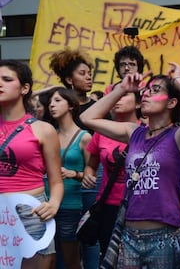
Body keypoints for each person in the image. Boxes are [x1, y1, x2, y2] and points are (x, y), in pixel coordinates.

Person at [80, 62, 180, 268]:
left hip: (165, 238)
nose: (145, 94)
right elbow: (86, 117)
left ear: (171, 103)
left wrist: (177, 81)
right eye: (145, 90)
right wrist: (122, 89)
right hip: (128, 236)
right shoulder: (132, 132)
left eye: (155, 90)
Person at [0, 60, 64, 268]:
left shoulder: (44, 130)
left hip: (31, 213)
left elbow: (56, 181)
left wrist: (53, 204)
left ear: (25, 88)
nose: (0, 84)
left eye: (7, 79)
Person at [49, 47, 101, 268]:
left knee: (88, 237)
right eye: (82, 73)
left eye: (89, 72)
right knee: (58, 243)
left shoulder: (97, 107)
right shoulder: (53, 114)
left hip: (87, 183)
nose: (88, 77)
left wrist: (83, 174)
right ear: (69, 79)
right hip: (60, 190)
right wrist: (58, 90)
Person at [82, 88, 141, 259]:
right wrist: (88, 175)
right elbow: (91, 166)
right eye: (114, 95)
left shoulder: (147, 132)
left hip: (136, 207)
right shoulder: (101, 133)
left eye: (124, 95)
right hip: (107, 206)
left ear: (138, 103)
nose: (118, 99)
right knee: (109, 257)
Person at [45, 87, 91, 269]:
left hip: (70, 206)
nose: (51, 105)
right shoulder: (48, 135)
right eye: (49, 102)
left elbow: (91, 175)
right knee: (48, 260)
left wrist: (75, 174)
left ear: (70, 105)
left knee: (71, 260)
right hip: (45, 205)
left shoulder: (84, 137)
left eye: (57, 101)